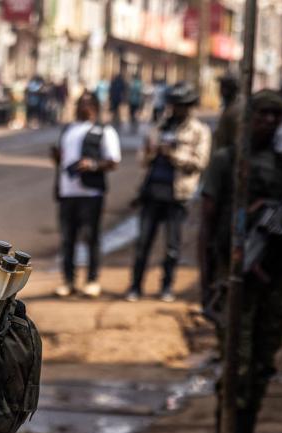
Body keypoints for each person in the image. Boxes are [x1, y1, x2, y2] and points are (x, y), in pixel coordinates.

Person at [198, 90, 282, 433]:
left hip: (274, 281)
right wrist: (208, 285)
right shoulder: (227, 162)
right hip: (236, 279)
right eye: (263, 114)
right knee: (235, 369)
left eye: (277, 115)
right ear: (248, 117)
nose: (269, 122)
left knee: (261, 369)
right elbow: (207, 225)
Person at [128, 83, 210, 302]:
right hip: (152, 192)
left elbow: (200, 162)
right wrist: (150, 152)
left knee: (172, 247)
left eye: (181, 106)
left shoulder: (199, 131)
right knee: (143, 243)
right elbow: (142, 159)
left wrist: (173, 155)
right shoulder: (159, 126)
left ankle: (166, 287)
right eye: (174, 105)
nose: (176, 110)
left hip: (178, 194)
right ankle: (135, 286)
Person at [50, 91, 120, 297]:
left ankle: (92, 280)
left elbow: (113, 161)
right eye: (81, 103)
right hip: (68, 192)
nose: (85, 107)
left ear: (96, 107)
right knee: (67, 239)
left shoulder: (104, 131)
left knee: (91, 237)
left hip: (91, 193)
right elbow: (62, 161)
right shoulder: (68, 130)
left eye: (89, 103)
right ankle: (69, 281)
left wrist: (93, 164)